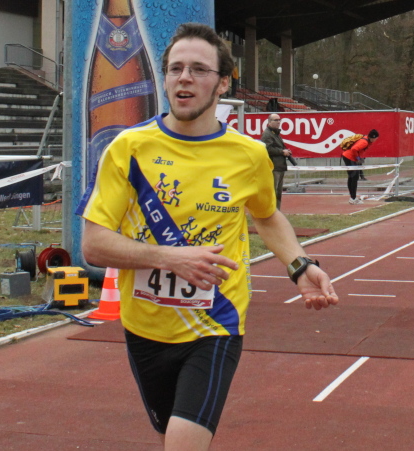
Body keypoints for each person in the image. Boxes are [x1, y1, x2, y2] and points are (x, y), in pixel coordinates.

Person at [77, 23, 338, 450]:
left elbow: (267, 216)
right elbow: (93, 244)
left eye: (199, 69)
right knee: (168, 432)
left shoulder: (248, 154)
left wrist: (299, 264)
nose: (185, 78)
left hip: (216, 321)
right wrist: (170, 258)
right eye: (175, 68)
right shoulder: (128, 148)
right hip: (144, 326)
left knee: (183, 440)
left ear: (223, 83)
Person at [261, 113, 292, 210]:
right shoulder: (267, 134)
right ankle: (271, 212)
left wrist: (285, 151)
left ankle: (277, 212)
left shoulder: (276, 133)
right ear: (269, 122)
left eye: (279, 120)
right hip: (273, 167)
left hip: (279, 166)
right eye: (276, 120)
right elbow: (267, 148)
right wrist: (282, 152)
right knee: (273, 192)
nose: (279, 122)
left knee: (278, 192)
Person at [342, 129, 379, 205]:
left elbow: (358, 150)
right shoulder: (364, 142)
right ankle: (353, 198)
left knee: (352, 177)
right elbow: (354, 149)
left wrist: (360, 157)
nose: (376, 140)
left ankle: (353, 197)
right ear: (373, 137)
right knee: (354, 177)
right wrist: (358, 158)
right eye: (376, 138)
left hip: (348, 157)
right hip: (349, 157)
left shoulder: (366, 139)